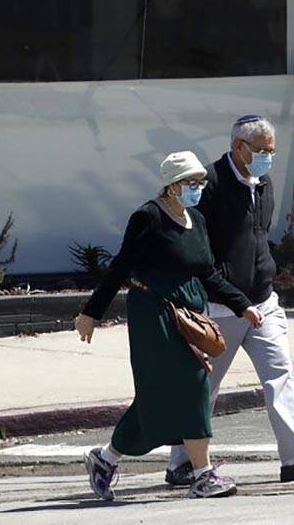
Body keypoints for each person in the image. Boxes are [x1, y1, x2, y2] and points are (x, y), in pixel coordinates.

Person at [74, 150, 264, 501]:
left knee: (161, 397)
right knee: (191, 386)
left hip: (189, 314)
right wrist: (91, 313)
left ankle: (106, 458)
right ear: (172, 185)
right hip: (154, 313)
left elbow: (206, 272)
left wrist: (242, 305)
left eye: (200, 182)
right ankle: (203, 475)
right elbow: (120, 267)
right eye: (190, 183)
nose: (197, 188)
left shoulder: (197, 219)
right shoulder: (148, 217)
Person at [163, 115, 294, 485]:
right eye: (261, 151)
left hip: (263, 302)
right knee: (203, 387)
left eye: (271, 151)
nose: (268, 158)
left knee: (280, 376)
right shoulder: (208, 184)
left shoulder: (264, 183)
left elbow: (258, 236)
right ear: (239, 148)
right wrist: (219, 291)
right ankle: (180, 463)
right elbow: (195, 247)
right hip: (220, 307)